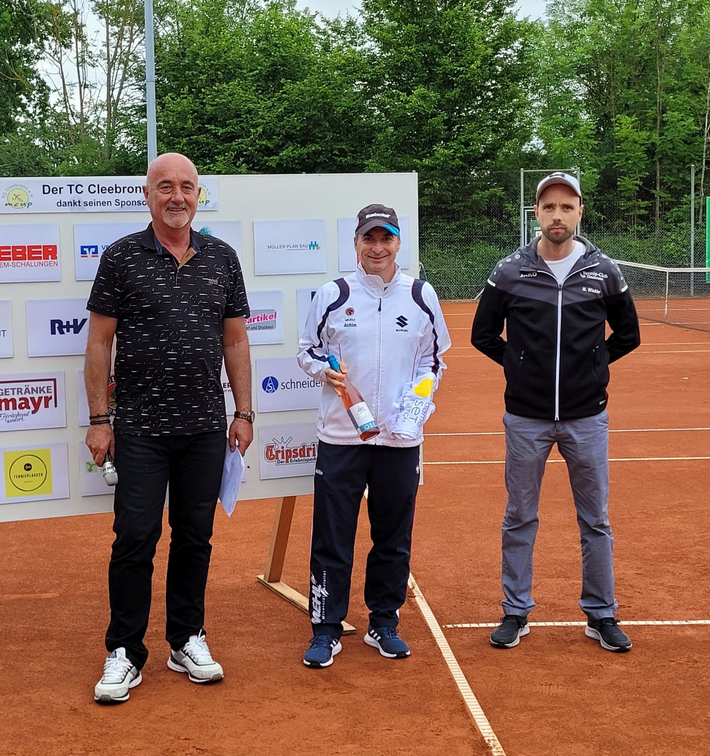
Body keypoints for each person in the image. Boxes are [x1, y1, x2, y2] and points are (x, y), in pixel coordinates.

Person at [85, 153, 254, 703]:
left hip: (204, 426)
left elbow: (235, 339)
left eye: (186, 187)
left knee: (194, 537)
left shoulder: (223, 258)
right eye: (165, 187)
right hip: (139, 427)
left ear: (198, 195)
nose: (176, 196)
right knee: (135, 538)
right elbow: (99, 343)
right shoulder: (120, 257)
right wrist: (99, 420)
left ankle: (186, 638)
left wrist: (244, 411)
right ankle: (124, 651)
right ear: (147, 195)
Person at [470, 172, 641, 653]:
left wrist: (594, 365)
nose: (557, 215)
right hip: (526, 418)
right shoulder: (510, 270)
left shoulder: (604, 271)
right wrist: (520, 367)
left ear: (580, 212)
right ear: (537, 213)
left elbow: (628, 335)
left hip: (587, 417)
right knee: (520, 516)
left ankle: (601, 614)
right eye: (549, 207)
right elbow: (483, 335)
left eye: (567, 207)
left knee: (596, 520)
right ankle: (515, 611)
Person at [296, 204, 451, 668]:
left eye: (386, 238)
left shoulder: (421, 295)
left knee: (393, 537)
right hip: (342, 437)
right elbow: (307, 351)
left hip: (400, 441)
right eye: (369, 238)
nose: (377, 247)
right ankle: (326, 627)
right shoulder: (334, 294)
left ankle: (384, 621)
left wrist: (415, 406)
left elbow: (434, 360)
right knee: (332, 537)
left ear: (398, 242)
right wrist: (327, 373)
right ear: (357, 244)